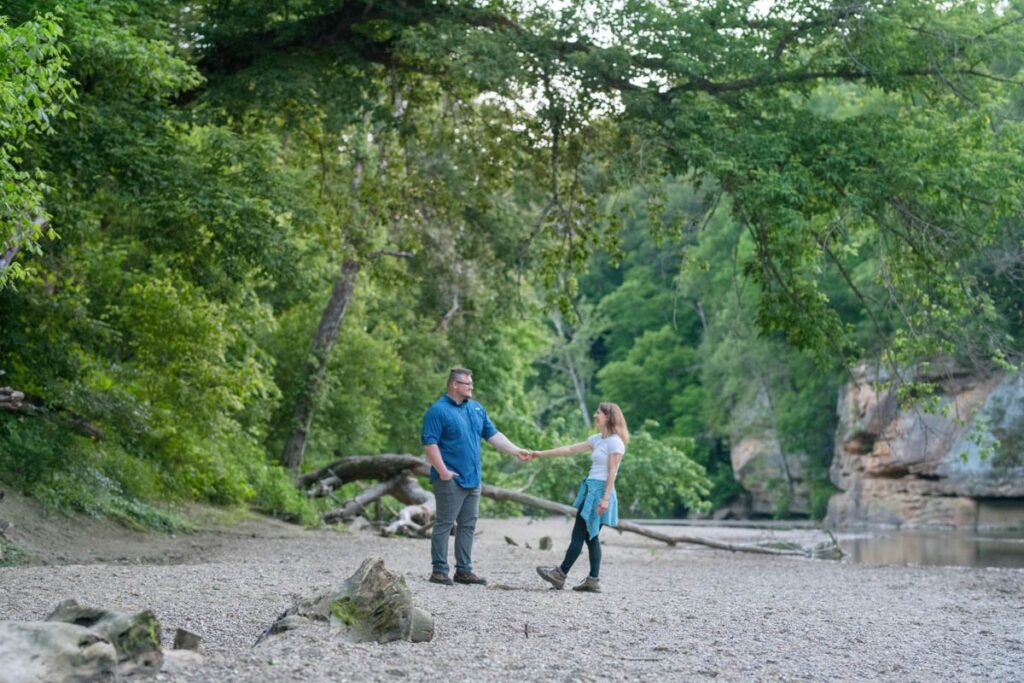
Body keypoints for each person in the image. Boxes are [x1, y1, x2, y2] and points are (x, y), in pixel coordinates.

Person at [422, 368, 528, 586]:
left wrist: (516, 450)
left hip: (473, 479)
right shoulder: (438, 410)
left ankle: (463, 571)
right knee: (444, 523)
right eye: (467, 383)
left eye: (471, 383)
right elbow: (430, 444)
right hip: (449, 478)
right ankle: (439, 571)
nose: (471, 387)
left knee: (468, 525)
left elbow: (493, 435)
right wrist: (443, 472)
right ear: (454, 385)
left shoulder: (477, 408)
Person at [531, 402, 629, 593]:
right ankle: (592, 580)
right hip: (591, 489)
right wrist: (540, 454)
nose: (595, 415)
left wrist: (606, 499)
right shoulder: (598, 439)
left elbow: (612, 472)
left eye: (598, 413)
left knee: (580, 534)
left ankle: (561, 574)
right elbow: (569, 450)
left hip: (600, 492)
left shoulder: (615, 442)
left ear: (609, 417)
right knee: (591, 537)